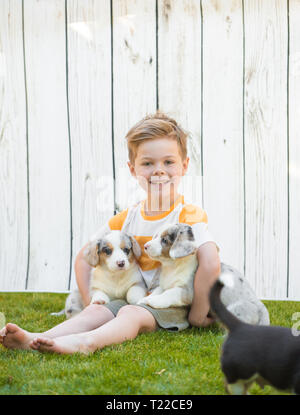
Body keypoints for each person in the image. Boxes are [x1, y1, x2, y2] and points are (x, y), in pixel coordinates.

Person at [0, 112, 220, 355]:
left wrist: (198, 315)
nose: (159, 171)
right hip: (129, 296)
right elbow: (85, 256)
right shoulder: (127, 218)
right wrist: (90, 300)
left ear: (185, 165)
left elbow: (210, 263)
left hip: (170, 301)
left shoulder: (188, 216)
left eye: (169, 162)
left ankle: (85, 343)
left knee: (130, 313)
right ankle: (36, 338)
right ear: (132, 169)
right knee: (98, 311)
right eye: (148, 163)